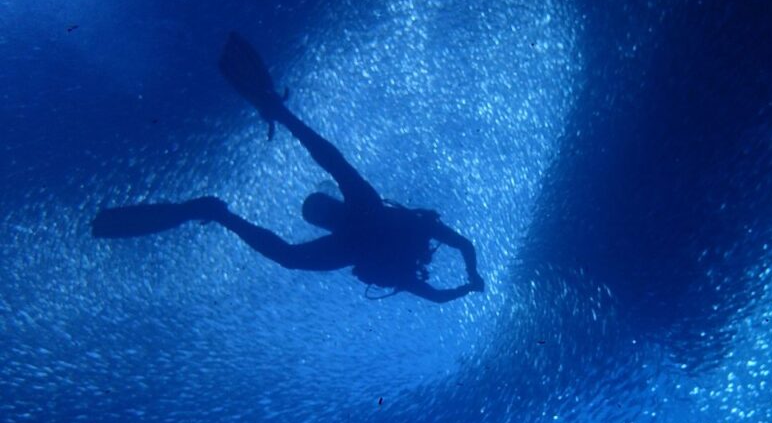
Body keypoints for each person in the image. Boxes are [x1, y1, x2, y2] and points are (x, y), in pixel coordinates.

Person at [92, 32, 484, 303]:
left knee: (293, 252)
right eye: (323, 212)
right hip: (370, 240)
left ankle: (217, 212)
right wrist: (471, 280)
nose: (327, 213)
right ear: (329, 216)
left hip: (362, 246)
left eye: (322, 211)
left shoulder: (367, 222)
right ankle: (218, 213)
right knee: (294, 250)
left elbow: (328, 160)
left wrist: (470, 281)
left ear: (327, 217)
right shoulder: (377, 213)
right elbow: (449, 273)